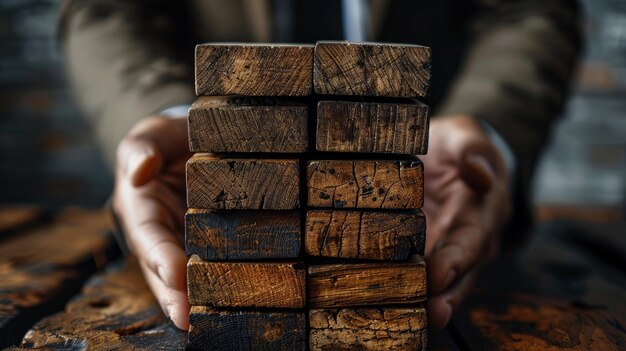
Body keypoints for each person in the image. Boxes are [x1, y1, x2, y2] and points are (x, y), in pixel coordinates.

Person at [59, 0, 581, 331]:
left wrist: (485, 127)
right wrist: (179, 123)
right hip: (220, 202)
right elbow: (107, 10)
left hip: (425, 196)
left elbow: (526, 10)